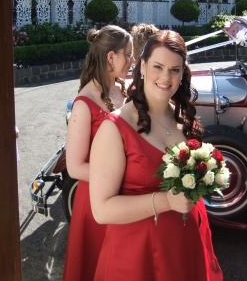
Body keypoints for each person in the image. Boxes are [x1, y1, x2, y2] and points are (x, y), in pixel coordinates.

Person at [89, 30, 223, 281]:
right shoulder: (115, 128)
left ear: (183, 73)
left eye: (175, 70)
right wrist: (166, 201)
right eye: (158, 67)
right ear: (142, 66)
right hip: (138, 258)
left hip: (185, 247)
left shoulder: (182, 119)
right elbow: (102, 209)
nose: (165, 77)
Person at [62, 25, 134, 281]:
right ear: (111, 57)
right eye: (128, 54)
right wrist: (123, 175)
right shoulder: (84, 103)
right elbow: (74, 167)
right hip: (95, 202)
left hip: (124, 197)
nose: (132, 60)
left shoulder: (122, 90)